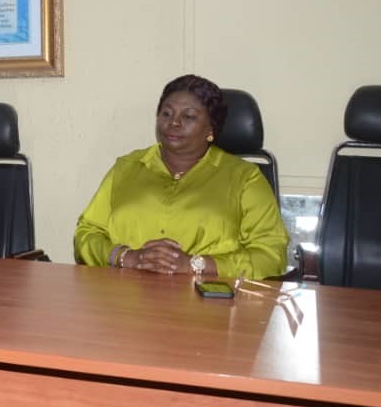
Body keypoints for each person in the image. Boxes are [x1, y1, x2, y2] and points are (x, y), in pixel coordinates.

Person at [74, 75, 289, 280]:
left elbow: (271, 254)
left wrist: (196, 265)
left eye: (188, 116)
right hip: (122, 300)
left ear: (211, 128)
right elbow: (87, 233)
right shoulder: (126, 168)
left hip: (209, 305)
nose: (174, 123)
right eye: (166, 114)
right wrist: (128, 257)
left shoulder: (245, 178)